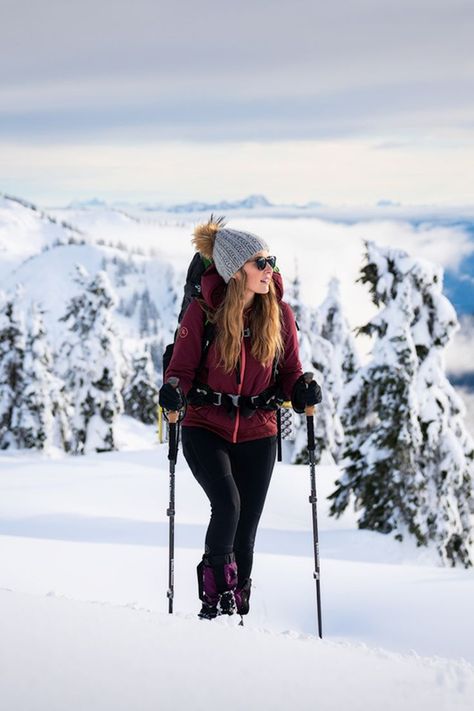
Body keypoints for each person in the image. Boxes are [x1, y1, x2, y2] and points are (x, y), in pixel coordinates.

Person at [159, 217, 321, 620]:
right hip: (204, 425)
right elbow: (178, 371)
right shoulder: (203, 315)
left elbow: (289, 372)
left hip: (258, 430)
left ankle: (237, 608)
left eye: (271, 262)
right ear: (235, 270)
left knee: (245, 529)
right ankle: (214, 602)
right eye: (260, 263)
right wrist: (174, 391)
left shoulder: (279, 315)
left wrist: (300, 389)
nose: (270, 270)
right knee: (227, 506)